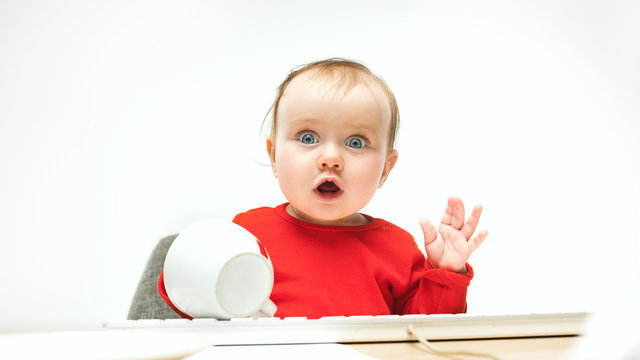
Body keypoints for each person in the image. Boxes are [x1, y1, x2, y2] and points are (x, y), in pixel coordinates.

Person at [158, 58, 488, 319]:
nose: (330, 158)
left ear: (384, 169)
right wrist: (194, 268)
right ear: (274, 156)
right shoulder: (249, 231)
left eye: (356, 142)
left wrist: (447, 273)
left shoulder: (398, 249)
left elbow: (429, 331)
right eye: (308, 138)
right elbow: (192, 305)